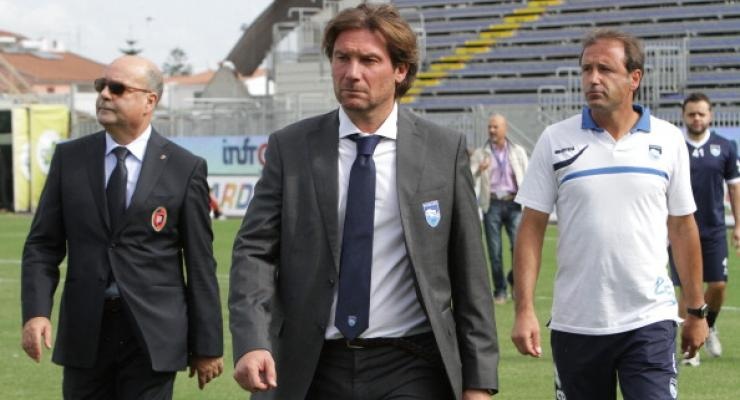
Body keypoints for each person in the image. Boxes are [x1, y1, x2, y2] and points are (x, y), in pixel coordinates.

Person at [229, 4, 499, 400]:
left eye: (369, 60)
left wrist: (478, 383)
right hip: (311, 365)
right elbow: (254, 251)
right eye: (343, 58)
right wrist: (252, 341)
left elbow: (469, 271)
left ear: (400, 70)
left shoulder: (443, 150)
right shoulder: (292, 147)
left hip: (411, 363)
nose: (352, 72)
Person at [511, 29, 708, 399]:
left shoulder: (668, 140)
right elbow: (531, 229)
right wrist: (524, 309)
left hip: (649, 320)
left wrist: (696, 312)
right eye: (586, 69)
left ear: (635, 78)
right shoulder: (555, 139)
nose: (593, 79)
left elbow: (683, 228)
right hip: (577, 324)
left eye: (605, 69)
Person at [21, 55, 224, 399]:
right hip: (86, 332)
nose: (104, 95)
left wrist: (207, 345)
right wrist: (36, 312)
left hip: (154, 336)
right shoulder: (69, 159)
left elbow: (200, 262)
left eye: (117, 88)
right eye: (101, 86)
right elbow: (42, 245)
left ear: (149, 101)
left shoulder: (184, 168)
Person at [669, 92, 740, 366]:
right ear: (684, 116)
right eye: (691, 114)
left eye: (701, 113)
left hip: (714, 230)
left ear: (710, 116)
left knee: (718, 286)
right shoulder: (674, 146)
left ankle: (708, 326)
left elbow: (734, 188)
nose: (696, 118)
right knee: (687, 289)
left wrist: (738, 225)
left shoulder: (725, 146)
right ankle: (690, 350)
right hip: (680, 229)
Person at [470, 114, 528, 304]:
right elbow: (469, 178)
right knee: (495, 252)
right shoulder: (481, 153)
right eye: (490, 127)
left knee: (518, 248)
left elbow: (527, 175)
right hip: (492, 204)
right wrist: (479, 170)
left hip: (514, 203)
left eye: (495, 127)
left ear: (505, 128)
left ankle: (514, 280)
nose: (492, 130)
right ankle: (500, 291)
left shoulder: (518, 151)